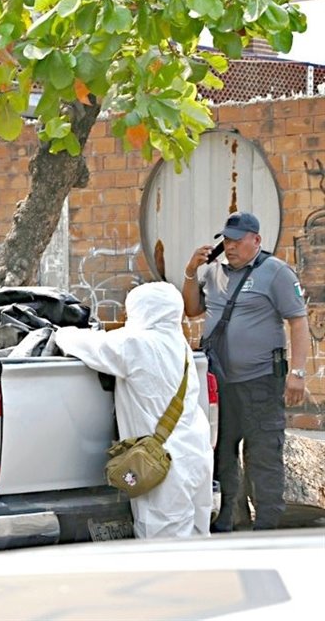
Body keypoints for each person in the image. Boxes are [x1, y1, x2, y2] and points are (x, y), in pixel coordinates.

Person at [182, 211, 310, 532]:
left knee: (264, 454)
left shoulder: (276, 272)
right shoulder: (212, 272)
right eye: (226, 240)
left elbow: (298, 321)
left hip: (262, 381)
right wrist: (189, 273)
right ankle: (228, 518)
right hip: (221, 383)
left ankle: (267, 523)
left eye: (237, 240)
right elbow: (192, 309)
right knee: (223, 453)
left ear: (256, 240)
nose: (231, 246)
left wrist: (297, 372)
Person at [55, 282, 213, 538]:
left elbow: (81, 343)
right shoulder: (180, 344)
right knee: (197, 534)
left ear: (143, 310)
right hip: (196, 454)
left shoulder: (136, 344)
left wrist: (59, 331)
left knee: (164, 542)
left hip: (162, 463)